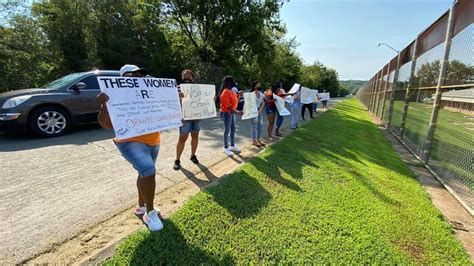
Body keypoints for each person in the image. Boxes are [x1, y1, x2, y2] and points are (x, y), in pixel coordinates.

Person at [97, 64, 163, 232]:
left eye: (140, 75)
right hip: (129, 140)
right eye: (132, 75)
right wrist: (104, 107)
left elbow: (165, 110)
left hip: (153, 139)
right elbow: (106, 124)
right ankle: (150, 213)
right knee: (148, 170)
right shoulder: (113, 95)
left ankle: (140, 206)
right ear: (122, 79)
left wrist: (175, 99)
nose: (137, 78)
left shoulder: (150, 92)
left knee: (143, 173)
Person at [173, 69, 200, 170]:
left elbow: (203, 100)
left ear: (192, 77)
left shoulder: (198, 88)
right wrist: (177, 96)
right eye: (184, 76)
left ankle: (193, 155)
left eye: (189, 75)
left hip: (196, 117)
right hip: (184, 118)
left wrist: (210, 99)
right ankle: (177, 160)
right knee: (182, 138)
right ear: (182, 77)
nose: (187, 77)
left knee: (195, 136)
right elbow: (170, 101)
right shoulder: (178, 88)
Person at [219, 76, 242, 156]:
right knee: (227, 130)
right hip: (226, 113)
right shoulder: (225, 92)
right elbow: (228, 106)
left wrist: (238, 95)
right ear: (229, 82)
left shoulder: (231, 91)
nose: (234, 83)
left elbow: (235, 100)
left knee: (233, 129)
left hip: (231, 113)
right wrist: (237, 112)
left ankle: (232, 145)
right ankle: (225, 147)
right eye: (233, 81)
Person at [250, 81, 266, 147]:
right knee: (255, 126)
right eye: (258, 84)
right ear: (255, 86)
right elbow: (249, 104)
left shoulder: (261, 94)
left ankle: (258, 139)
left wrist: (260, 110)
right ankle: (254, 140)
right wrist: (255, 110)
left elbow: (263, 103)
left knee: (260, 125)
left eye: (260, 84)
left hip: (259, 110)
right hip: (253, 111)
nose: (260, 85)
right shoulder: (251, 94)